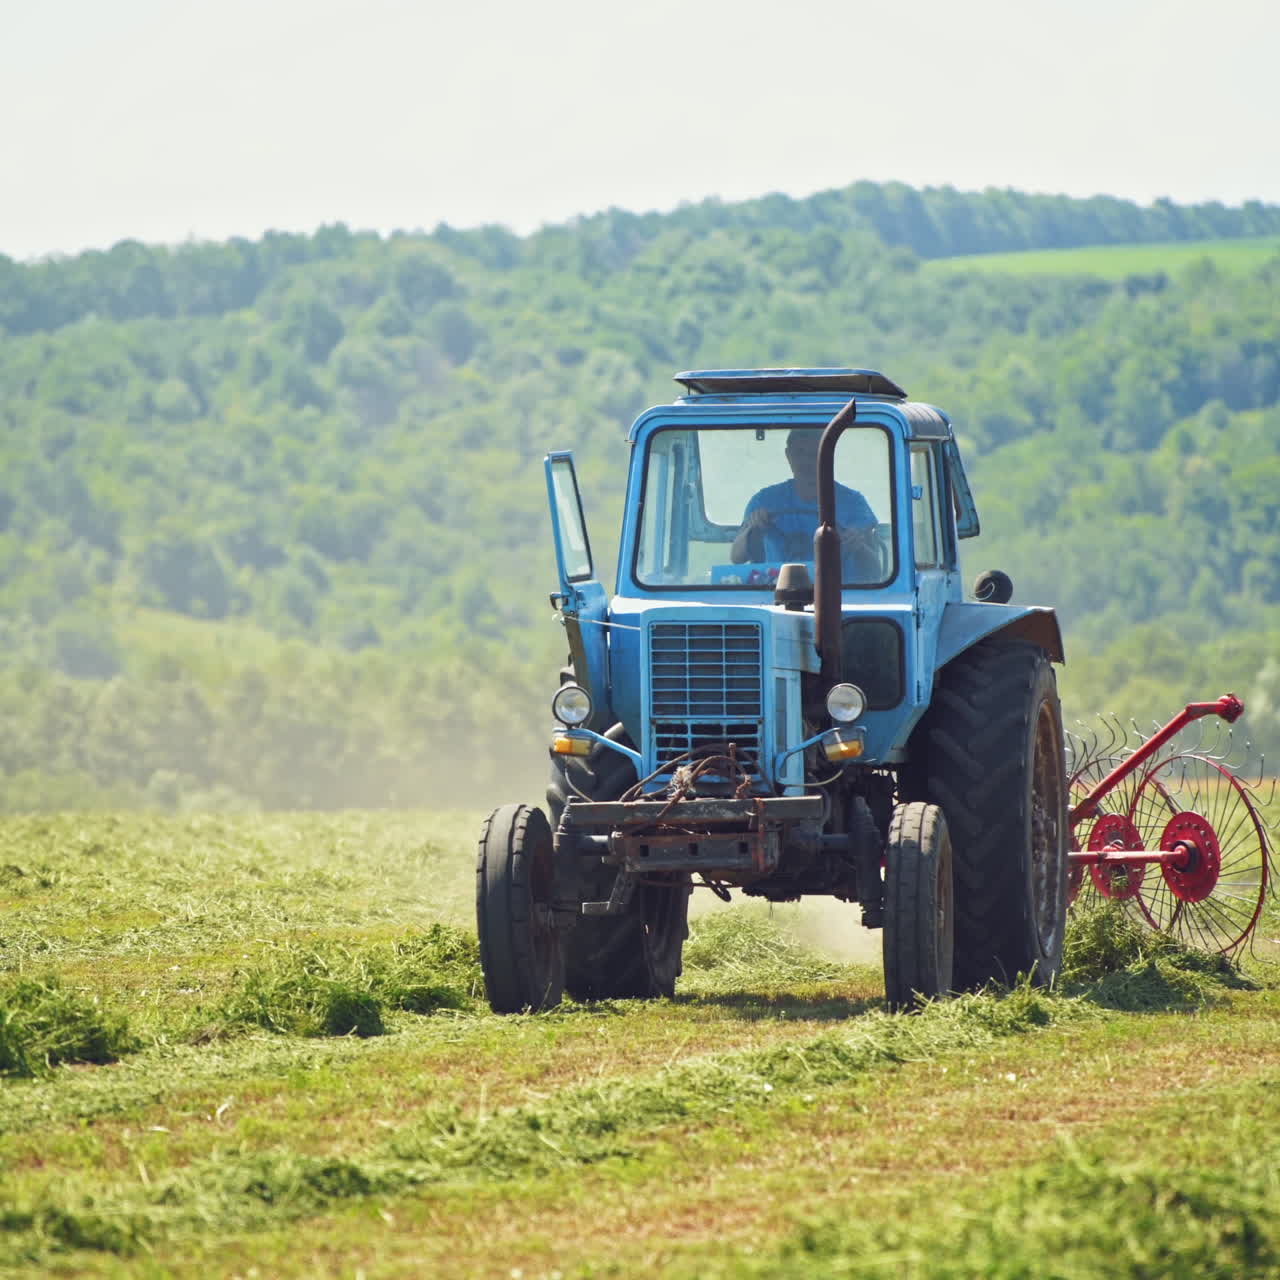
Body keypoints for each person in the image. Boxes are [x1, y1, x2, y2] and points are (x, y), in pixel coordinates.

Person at [730, 429, 879, 572]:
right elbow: (737, 557)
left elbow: (875, 570)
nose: (806, 461)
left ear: (827, 456)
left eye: (814, 454)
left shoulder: (854, 503)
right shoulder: (763, 500)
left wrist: (858, 545)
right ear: (788, 455)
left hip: (840, 593)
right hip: (775, 591)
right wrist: (753, 529)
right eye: (800, 453)